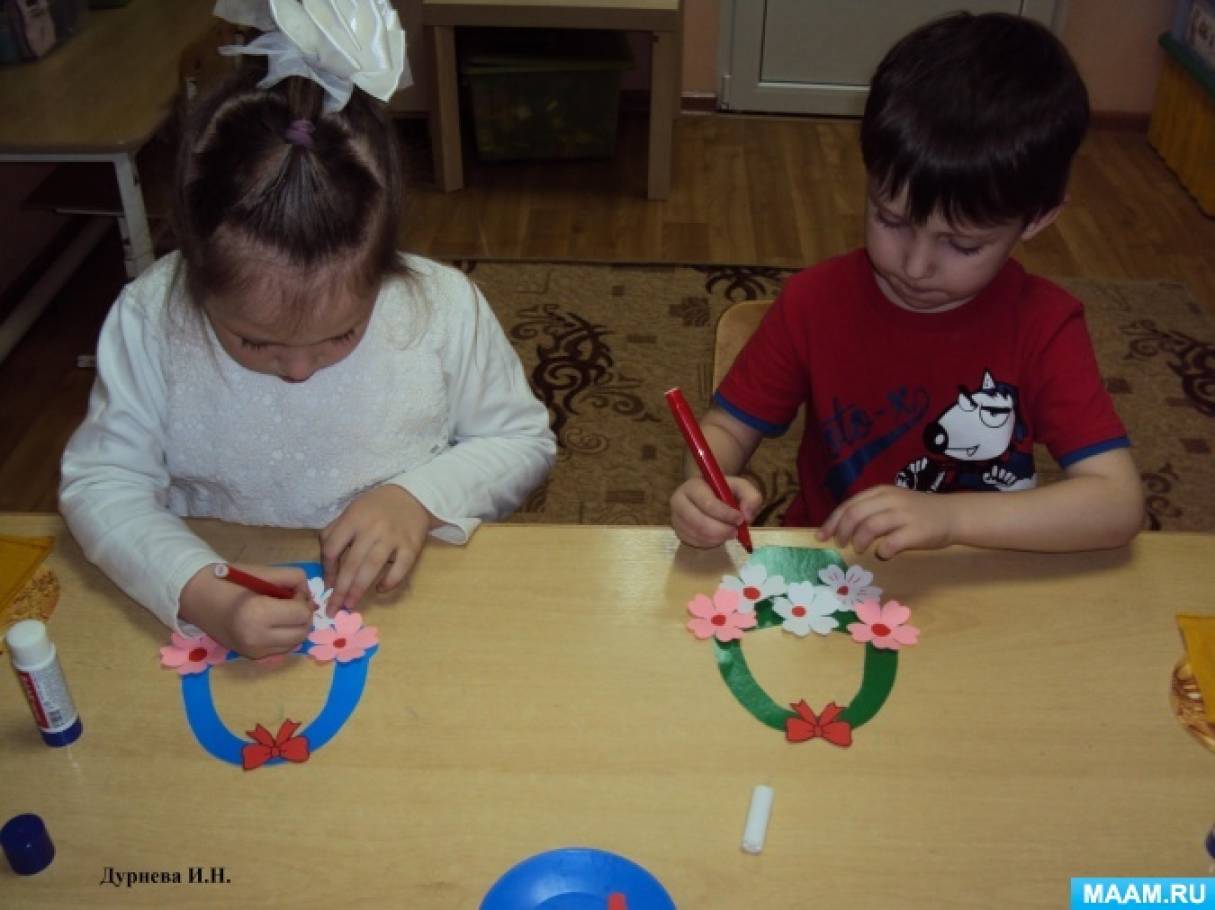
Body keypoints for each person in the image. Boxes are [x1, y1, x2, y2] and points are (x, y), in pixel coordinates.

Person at [59, 5, 556, 658]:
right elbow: (102, 484)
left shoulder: (440, 307)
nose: (298, 370)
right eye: (254, 342)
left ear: (385, 269)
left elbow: (521, 441)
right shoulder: (152, 317)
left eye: (341, 334)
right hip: (225, 591)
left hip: (404, 604)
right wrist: (196, 586)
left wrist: (417, 498)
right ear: (197, 276)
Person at [670, 12, 1143, 558]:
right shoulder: (814, 303)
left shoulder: (1044, 326)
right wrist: (704, 488)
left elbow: (1117, 502)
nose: (915, 267)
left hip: (982, 567)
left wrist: (952, 518)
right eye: (890, 220)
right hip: (837, 560)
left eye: (962, 245)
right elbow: (727, 428)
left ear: (1037, 219)